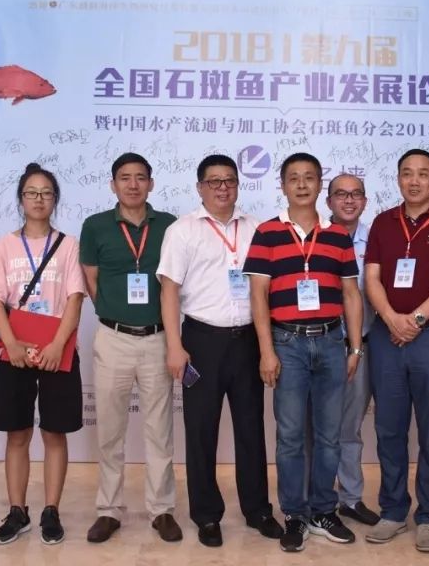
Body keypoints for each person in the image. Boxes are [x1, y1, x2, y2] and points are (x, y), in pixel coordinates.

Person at [157, 154, 283, 547]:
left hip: (247, 340)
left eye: (229, 180)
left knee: (251, 428)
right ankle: (207, 515)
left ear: (238, 185)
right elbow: (169, 291)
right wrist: (174, 346)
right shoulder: (182, 230)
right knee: (201, 430)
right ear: (200, 188)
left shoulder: (257, 229)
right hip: (201, 341)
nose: (223, 187)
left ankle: (258, 510)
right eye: (214, 181)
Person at [244, 152, 363, 553]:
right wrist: (266, 351)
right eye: (293, 178)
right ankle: (294, 514)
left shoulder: (338, 235)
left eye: (309, 177)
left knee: (329, 436)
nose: (301, 184)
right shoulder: (267, 233)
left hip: (331, 342)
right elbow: (258, 294)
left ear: (319, 184)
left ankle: (323, 511)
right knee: (291, 436)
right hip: (288, 344)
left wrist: (355, 347)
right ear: (282, 185)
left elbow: (351, 293)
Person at [363, 148, 429, 553]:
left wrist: (416, 320)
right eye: (407, 173)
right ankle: (392, 510)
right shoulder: (382, 222)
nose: (414, 180)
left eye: (423, 174)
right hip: (387, 337)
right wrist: (392, 318)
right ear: (397, 179)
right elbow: (372, 278)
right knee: (389, 428)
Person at [79, 152, 182, 544]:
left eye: (140, 177)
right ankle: (109, 510)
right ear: (113, 184)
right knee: (110, 430)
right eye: (125, 177)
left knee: (160, 430)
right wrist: (114, 313)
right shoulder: (96, 226)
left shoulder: (169, 225)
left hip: (158, 338)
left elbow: (175, 281)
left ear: (151, 184)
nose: (133, 184)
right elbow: (92, 280)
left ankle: (162, 510)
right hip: (113, 338)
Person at [0, 163, 86, 546]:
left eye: (46, 193)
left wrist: (58, 344)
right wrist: (11, 344)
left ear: (55, 199)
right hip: (16, 350)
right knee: (18, 433)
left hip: (58, 349)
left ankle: (51, 511)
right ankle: (17, 511)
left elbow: (75, 298)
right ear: (21, 199)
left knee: (54, 432)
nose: (39, 199)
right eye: (31, 193)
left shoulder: (69, 244)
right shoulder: (5, 245)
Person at [321, 173, 380, 526]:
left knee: (350, 428)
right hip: (321, 344)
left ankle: (351, 498)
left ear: (365, 200)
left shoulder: (377, 240)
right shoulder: (315, 237)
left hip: (363, 347)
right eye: (340, 194)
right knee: (317, 428)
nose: (348, 200)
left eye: (356, 194)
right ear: (328, 201)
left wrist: (356, 349)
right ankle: (318, 499)